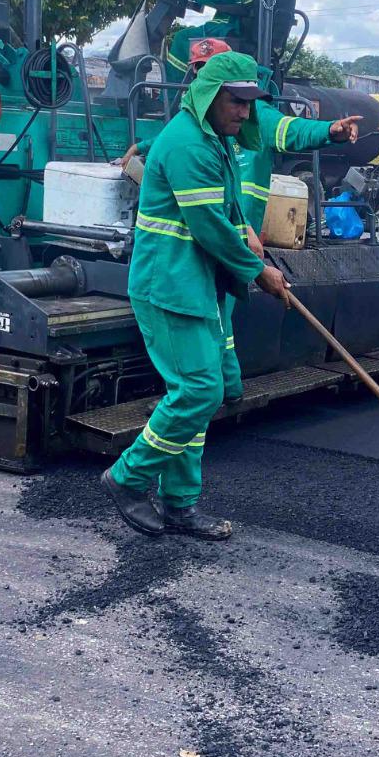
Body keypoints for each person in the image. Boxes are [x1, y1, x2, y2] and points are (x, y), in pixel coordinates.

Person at [101, 51, 291, 541]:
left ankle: (179, 505)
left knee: (195, 397)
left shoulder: (216, 141)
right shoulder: (188, 144)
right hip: (168, 287)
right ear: (209, 96)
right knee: (199, 391)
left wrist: (246, 226)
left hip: (194, 285)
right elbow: (208, 225)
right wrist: (259, 272)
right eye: (237, 102)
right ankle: (126, 478)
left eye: (251, 105)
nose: (245, 113)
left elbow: (224, 205)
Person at [118, 36, 360, 401]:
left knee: (220, 313)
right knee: (214, 320)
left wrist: (329, 131)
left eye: (209, 68)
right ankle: (220, 391)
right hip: (217, 238)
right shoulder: (197, 131)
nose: (201, 77)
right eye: (198, 70)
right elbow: (178, 147)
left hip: (238, 229)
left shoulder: (247, 118)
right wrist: (142, 145)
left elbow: (290, 130)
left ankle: (223, 390)